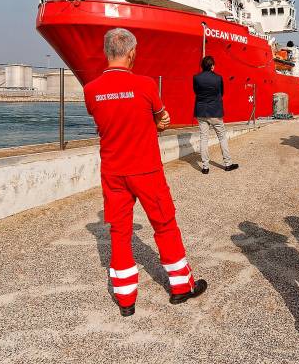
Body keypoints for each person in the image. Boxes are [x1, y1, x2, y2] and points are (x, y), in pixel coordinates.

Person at [84, 28, 207, 317]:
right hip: (145, 169)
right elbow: (159, 117)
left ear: (106, 52)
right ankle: (180, 287)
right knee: (164, 224)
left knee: (119, 231)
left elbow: (108, 122)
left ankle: (125, 299)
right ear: (132, 53)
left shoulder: (90, 90)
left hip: (113, 171)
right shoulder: (146, 84)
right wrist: (158, 123)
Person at [193, 56, 239, 175]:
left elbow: (196, 92)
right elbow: (221, 92)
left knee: (204, 138)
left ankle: (205, 167)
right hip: (215, 112)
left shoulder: (196, 78)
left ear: (202, 66)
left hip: (201, 111)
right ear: (212, 66)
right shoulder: (218, 78)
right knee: (222, 137)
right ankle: (228, 164)